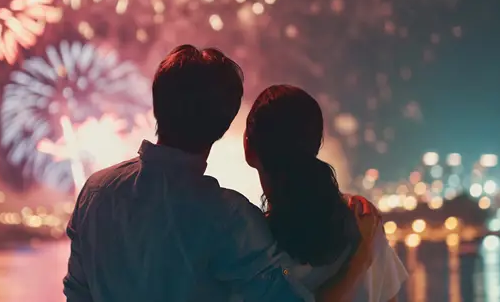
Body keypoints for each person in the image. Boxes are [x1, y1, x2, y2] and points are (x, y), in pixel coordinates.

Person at [64, 45, 379, 302]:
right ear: (225, 125)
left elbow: (77, 293)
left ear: (157, 105)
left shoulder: (95, 193)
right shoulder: (231, 219)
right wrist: (361, 257)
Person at [244, 85, 408, 302]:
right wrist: (361, 256)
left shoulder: (248, 239)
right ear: (317, 144)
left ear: (248, 148)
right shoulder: (363, 220)